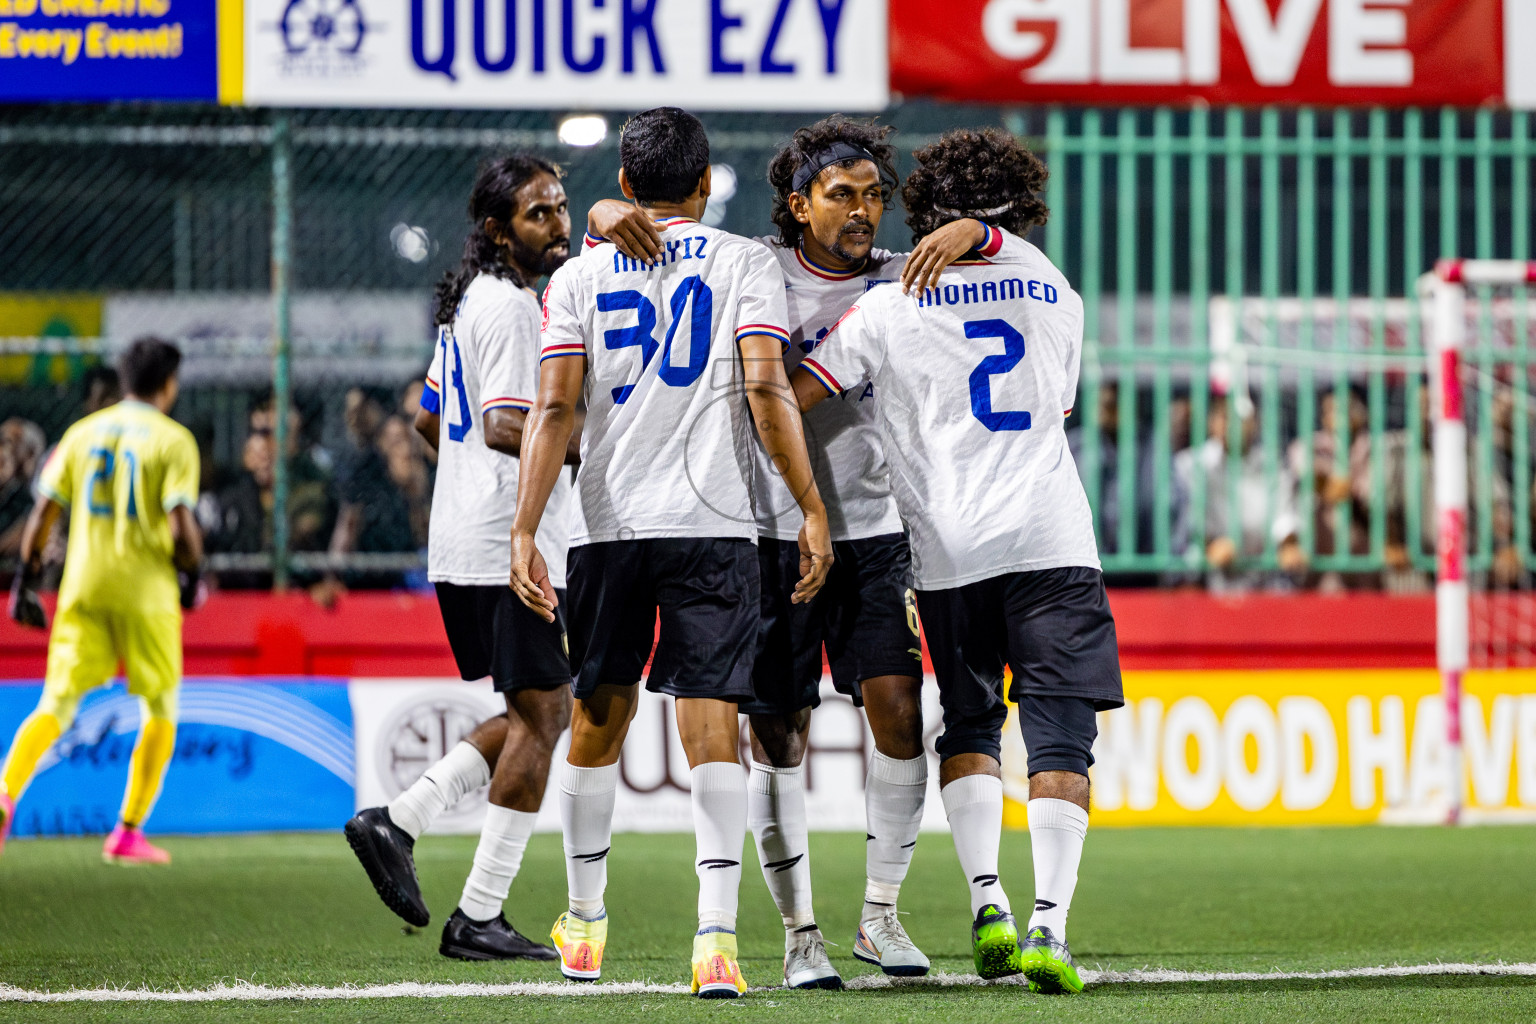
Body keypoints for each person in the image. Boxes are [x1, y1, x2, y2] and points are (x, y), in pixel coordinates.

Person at [585, 113, 1031, 989]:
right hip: (768, 536)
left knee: (900, 710)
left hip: (878, 533)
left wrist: (977, 230)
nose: (863, 212)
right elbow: (651, 235)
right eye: (841, 196)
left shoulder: (911, 277)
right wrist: (604, 211)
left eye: (873, 195)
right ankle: (800, 934)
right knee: (779, 731)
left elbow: (1012, 267)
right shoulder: (752, 268)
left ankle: (881, 914)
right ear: (797, 204)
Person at [786, 129, 1125, 995]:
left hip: (945, 555)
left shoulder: (888, 305)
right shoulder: (1053, 287)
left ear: (924, 211)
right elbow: (1061, 397)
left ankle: (987, 903)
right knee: (1060, 735)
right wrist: (987, 240)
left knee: (970, 726)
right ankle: (1050, 925)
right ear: (1025, 209)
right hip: (1050, 541)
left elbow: (798, 396)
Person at [510, 107, 832, 999]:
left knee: (596, 720)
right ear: (704, 182)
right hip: (717, 521)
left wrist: (524, 528)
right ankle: (716, 942)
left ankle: (583, 924)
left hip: (610, 526)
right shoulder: (744, 263)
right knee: (712, 725)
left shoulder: (577, 274)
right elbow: (768, 388)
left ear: (623, 183)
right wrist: (810, 506)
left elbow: (554, 408)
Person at [343, 154, 576, 963]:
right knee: (547, 717)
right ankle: (477, 911)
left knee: (530, 714)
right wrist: (600, 447)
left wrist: (477, 484)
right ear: (497, 230)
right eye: (539, 214)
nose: (559, 225)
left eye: (560, 207)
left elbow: (433, 422)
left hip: (467, 539)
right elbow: (511, 425)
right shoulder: (511, 309)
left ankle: (399, 821)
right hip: (508, 548)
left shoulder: (470, 304)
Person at [1, 337, 204, 864]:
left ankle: (4, 795)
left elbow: (43, 514)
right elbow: (181, 523)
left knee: (56, 704)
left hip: (83, 586)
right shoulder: (173, 439)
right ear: (168, 384)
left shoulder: (81, 434)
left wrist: (24, 580)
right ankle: (127, 831)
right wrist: (193, 574)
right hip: (146, 593)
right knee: (159, 707)